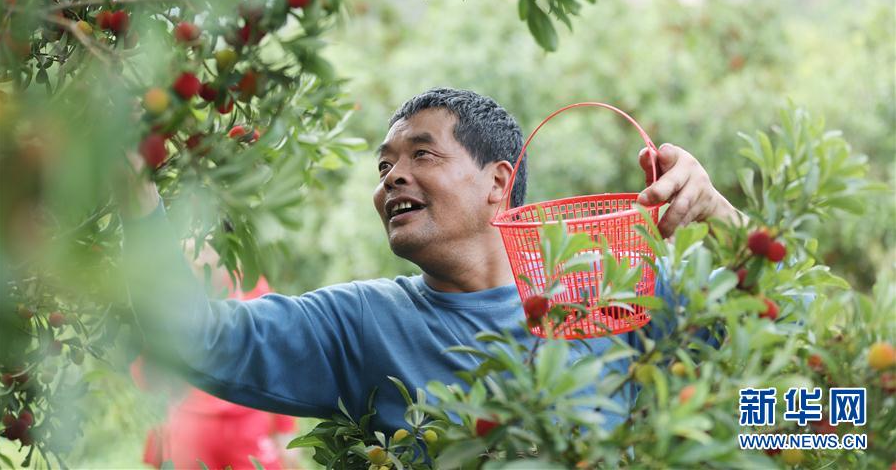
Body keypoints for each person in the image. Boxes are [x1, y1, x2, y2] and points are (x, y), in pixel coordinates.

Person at [120, 88, 741, 436]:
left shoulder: (611, 287)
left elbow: (782, 329)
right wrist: (134, 189)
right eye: (384, 166)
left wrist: (718, 214)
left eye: (423, 154)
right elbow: (192, 337)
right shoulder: (362, 323)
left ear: (499, 181)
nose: (394, 177)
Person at [130, 242, 299, 470]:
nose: (200, 258)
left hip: (247, 424)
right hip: (190, 428)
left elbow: (277, 360)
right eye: (191, 249)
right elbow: (147, 377)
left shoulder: (251, 287)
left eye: (207, 245)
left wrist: (285, 430)